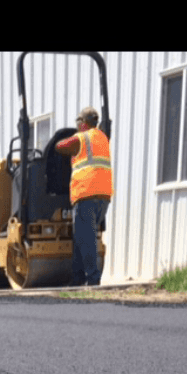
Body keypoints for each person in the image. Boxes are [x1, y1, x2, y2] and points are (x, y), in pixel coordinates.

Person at [55, 109, 113, 286]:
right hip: (103, 196)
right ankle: (77, 278)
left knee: (86, 240)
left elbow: (60, 146)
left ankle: (93, 280)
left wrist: (75, 135)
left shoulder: (81, 137)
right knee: (82, 237)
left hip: (86, 194)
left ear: (83, 123)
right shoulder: (102, 137)